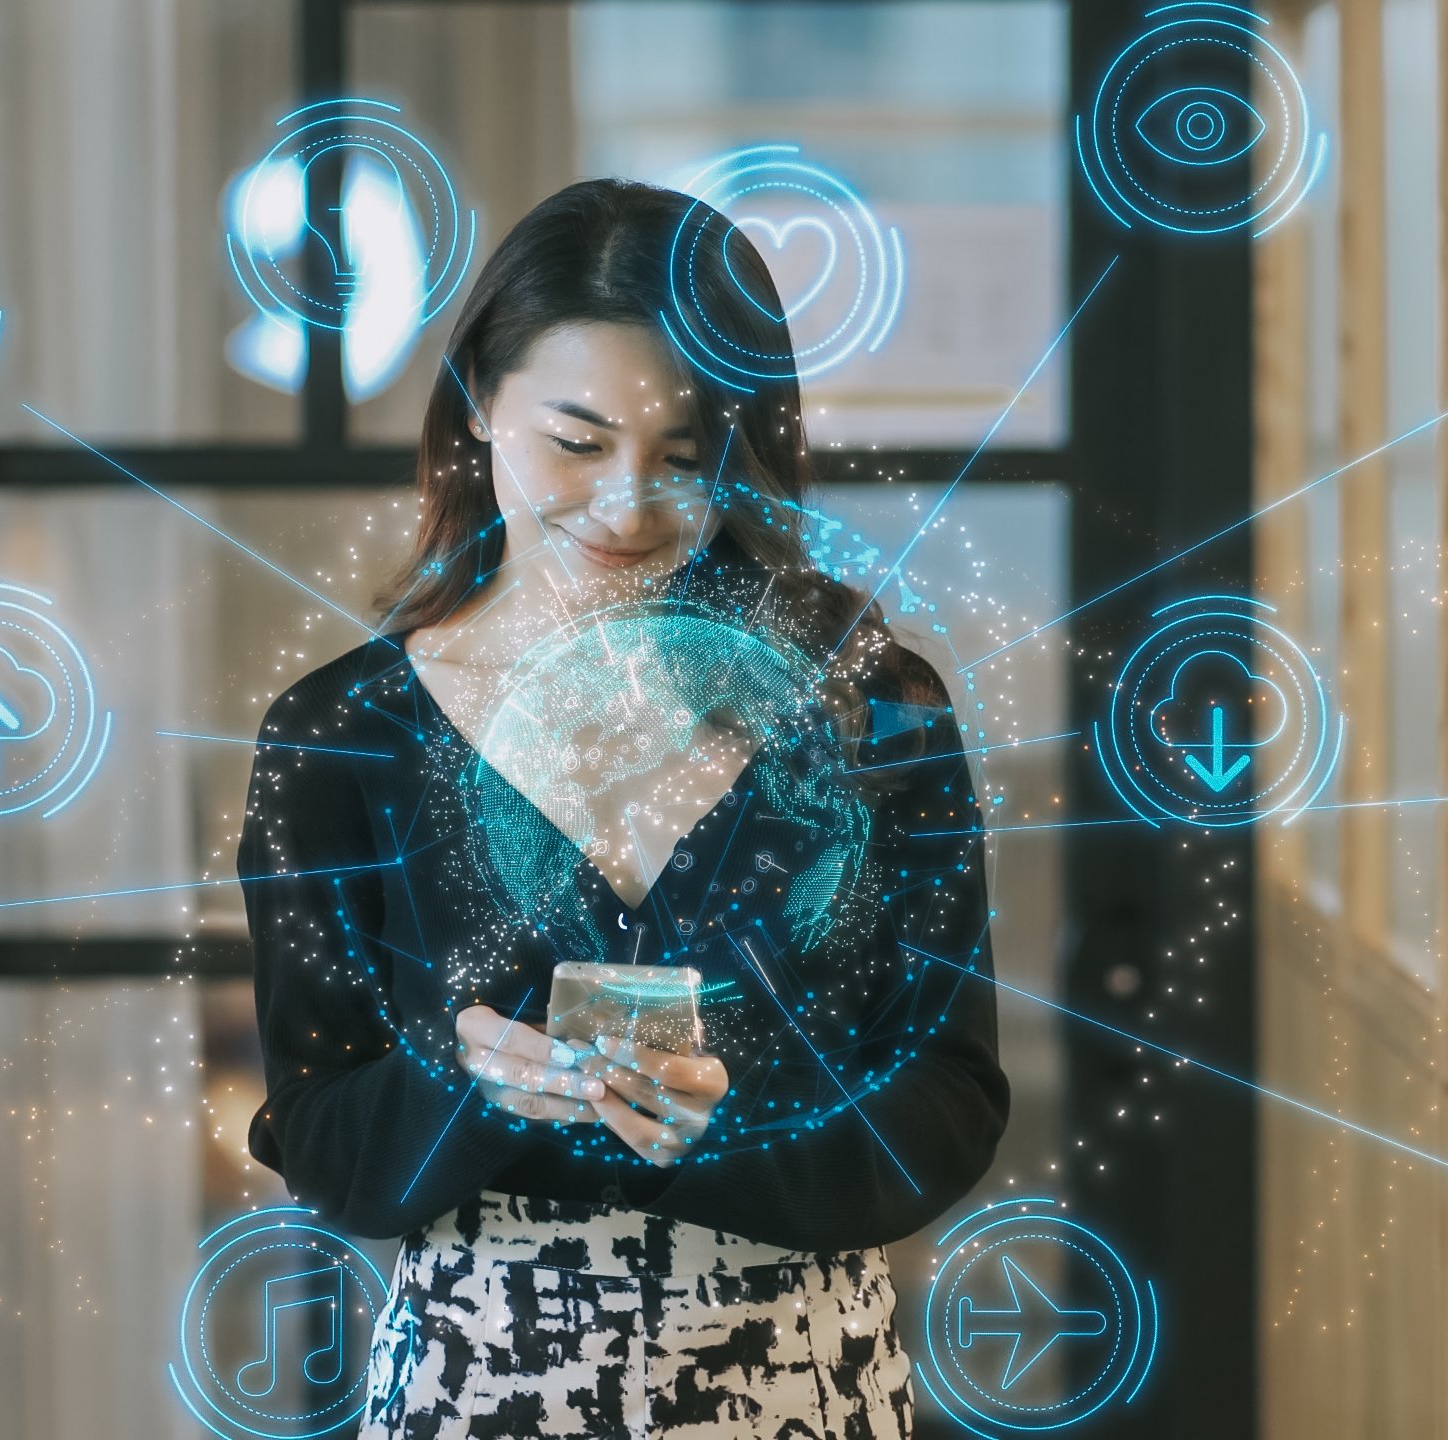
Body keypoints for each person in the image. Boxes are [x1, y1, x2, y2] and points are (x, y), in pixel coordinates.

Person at [237, 177, 1009, 1440]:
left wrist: (741, 1122)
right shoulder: (344, 739)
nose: (626, 507)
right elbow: (319, 1137)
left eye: (684, 457)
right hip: (475, 1393)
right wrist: (466, 1085)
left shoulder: (873, 712)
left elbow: (953, 1094)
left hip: (801, 1395)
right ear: (481, 404)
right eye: (578, 443)